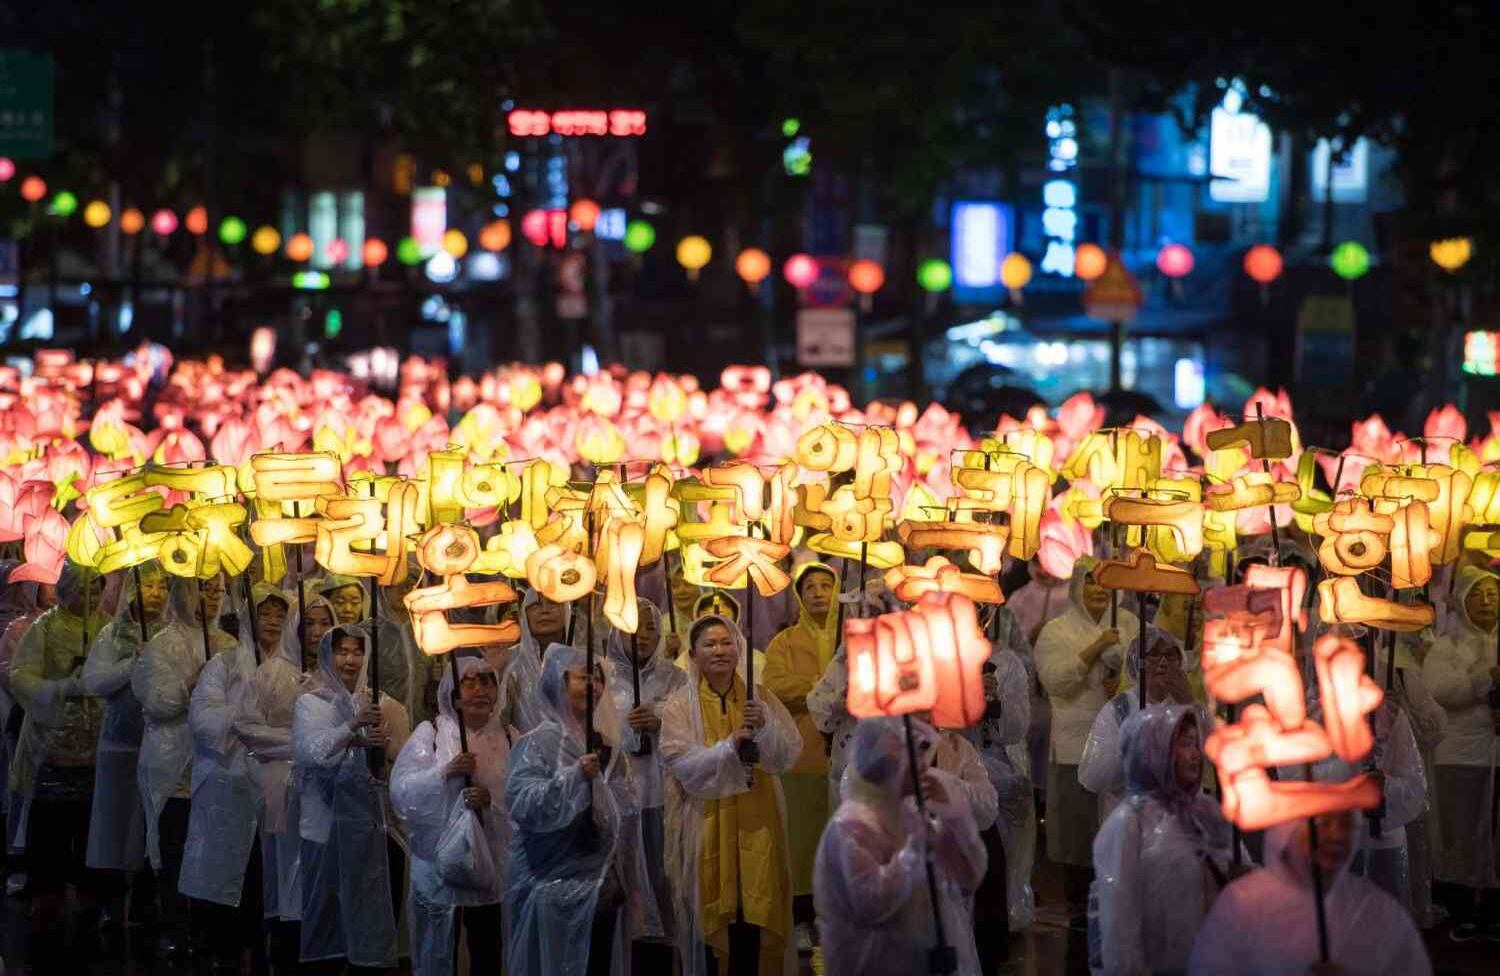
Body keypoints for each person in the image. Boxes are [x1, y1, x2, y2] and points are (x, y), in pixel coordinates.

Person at [503, 642, 663, 975]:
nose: (593, 685)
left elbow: (625, 812)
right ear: (557, 684)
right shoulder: (535, 743)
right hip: (550, 888)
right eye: (582, 676)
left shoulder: (606, 746)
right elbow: (523, 804)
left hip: (601, 888)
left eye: (598, 677)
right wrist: (574, 778)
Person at [661, 613, 801, 976]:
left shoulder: (760, 697)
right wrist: (728, 747)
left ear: (739, 650)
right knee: (715, 915)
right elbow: (682, 763)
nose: (719, 651)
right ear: (692, 655)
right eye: (708, 644)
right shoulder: (680, 705)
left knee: (757, 911)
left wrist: (766, 725)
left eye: (726, 643)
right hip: (706, 820)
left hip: (759, 818)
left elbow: (787, 754)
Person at [814, 717, 988, 976]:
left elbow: (968, 875)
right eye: (909, 753)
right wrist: (915, 850)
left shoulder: (914, 816)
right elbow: (871, 901)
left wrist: (954, 813)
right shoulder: (851, 826)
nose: (923, 763)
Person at [179, 583, 289, 971]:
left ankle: (258, 947)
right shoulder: (223, 664)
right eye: (265, 613)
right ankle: (217, 948)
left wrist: (260, 730)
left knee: (264, 871)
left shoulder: (293, 672)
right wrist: (244, 719)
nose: (273, 622)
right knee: (222, 867)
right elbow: (204, 717)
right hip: (226, 780)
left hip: (273, 781)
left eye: (280, 614)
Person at [293, 623, 410, 971]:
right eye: (342, 651)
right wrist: (351, 729)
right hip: (326, 828)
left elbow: (395, 762)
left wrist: (381, 741)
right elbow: (310, 752)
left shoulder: (377, 703)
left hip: (368, 829)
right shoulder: (309, 702)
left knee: (368, 917)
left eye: (358, 651)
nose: (350, 659)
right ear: (328, 655)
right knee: (327, 920)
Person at [1187, 811, 1433, 975]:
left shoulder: (1376, 910)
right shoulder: (1243, 905)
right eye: (1322, 823)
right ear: (1290, 827)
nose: (1335, 836)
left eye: (1344, 822)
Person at [7, 563, 108, 954]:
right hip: (53, 745)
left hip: (96, 745)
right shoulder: (45, 628)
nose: (92, 598)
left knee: (89, 823)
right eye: (84, 590)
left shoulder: (108, 627)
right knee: (50, 825)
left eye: (97, 589)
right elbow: (20, 676)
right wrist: (61, 688)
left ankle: (89, 900)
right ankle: (46, 900)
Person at [134, 573, 238, 955]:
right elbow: (156, 702)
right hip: (172, 761)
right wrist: (192, 684)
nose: (212, 598)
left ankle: (207, 925)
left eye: (217, 591)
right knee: (174, 841)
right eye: (203, 589)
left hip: (215, 762)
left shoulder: (228, 644)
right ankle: (173, 923)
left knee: (211, 844)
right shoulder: (161, 645)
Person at [1091, 705, 1236, 976]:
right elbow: (1119, 921)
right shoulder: (1129, 823)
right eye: (1183, 745)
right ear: (1152, 752)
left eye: (1195, 744)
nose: (1194, 755)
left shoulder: (1205, 811)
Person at [391, 654, 510, 976]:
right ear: (452, 693)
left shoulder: (511, 737)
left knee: (488, 950)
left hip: (492, 868)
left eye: (487, 682)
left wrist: (491, 803)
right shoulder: (429, 735)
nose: (480, 691)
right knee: (440, 950)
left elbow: (524, 802)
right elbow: (402, 793)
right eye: (469, 683)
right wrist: (444, 772)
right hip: (438, 868)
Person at [1035, 558, 1136, 924]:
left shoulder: (1129, 622)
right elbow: (1056, 681)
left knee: (1117, 830)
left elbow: (1143, 670)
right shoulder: (1056, 631)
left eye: (1104, 582)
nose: (1098, 589)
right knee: (1077, 832)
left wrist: (1121, 680)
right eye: (1090, 581)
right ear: (1077, 586)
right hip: (1075, 744)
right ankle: (1079, 907)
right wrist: (1096, 649)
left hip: (1121, 742)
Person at [237, 591, 327, 971]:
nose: (318, 632)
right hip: (281, 783)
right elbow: (245, 725)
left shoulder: (335, 672)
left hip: (322, 787)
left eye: (326, 623)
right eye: (310, 624)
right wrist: (299, 744)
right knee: (285, 869)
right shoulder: (273, 672)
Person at [82, 563, 169, 928]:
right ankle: (110, 904)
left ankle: (147, 905)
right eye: (149, 586)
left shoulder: (170, 634)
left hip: (159, 746)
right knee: (113, 827)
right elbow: (94, 681)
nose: (156, 593)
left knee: (152, 827)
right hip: (119, 744)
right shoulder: (112, 635)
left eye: (163, 586)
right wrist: (134, 662)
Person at [762, 562, 840, 949]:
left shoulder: (853, 639)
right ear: (800, 596)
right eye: (810, 587)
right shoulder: (785, 643)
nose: (819, 593)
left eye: (827, 585)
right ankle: (802, 918)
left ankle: (838, 917)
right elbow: (775, 686)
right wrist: (825, 683)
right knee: (802, 840)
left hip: (845, 759)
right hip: (802, 755)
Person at [1421, 565, 1500, 939]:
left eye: (1493, 593)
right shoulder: (1447, 645)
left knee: (1494, 832)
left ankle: (1494, 909)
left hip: (1495, 755)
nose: (1487, 601)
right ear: (1463, 601)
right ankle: (1463, 908)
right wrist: (1485, 677)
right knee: (1462, 831)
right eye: (1478, 594)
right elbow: (1442, 691)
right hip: (1460, 756)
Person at [605, 598, 686, 936]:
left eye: (652, 626)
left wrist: (661, 719)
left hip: (664, 794)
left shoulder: (676, 677)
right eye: (633, 625)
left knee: (664, 873)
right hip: (617, 797)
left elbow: (691, 725)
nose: (643, 634)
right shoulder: (601, 675)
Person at [961, 606, 1034, 964]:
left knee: (998, 862)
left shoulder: (1007, 665)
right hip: (952, 771)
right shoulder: (933, 659)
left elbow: (1016, 728)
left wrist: (994, 702)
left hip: (997, 771)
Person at [1080, 626, 1205, 818]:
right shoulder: (1120, 709)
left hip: (1180, 825)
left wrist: (1189, 702)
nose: (1163, 663)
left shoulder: (1189, 707)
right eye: (1153, 655)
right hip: (1132, 824)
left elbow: (1216, 754)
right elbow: (1094, 776)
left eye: (1171, 656)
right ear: (1137, 662)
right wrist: (1137, 747)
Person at [498, 588, 572, 735]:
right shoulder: (508, 660)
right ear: (525, 615)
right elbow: (497, 721)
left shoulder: (581, 661)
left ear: (567, 612)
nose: (545, 611)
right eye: (535, 605)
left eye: (553, 604)